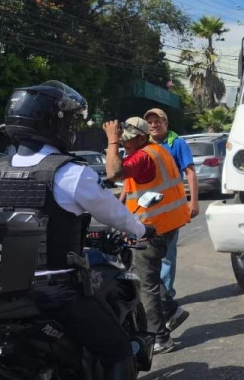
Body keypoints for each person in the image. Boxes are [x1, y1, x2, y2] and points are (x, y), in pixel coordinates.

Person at [0, 81, 150, 380]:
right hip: (56, 291)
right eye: (69, 120)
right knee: (117, 350)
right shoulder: (69, 173)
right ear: (50, 123)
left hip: (5, 292)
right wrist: (139, 229)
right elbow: (114, 213)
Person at [104, 117, 191, 353]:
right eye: (122, 142)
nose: (124, 146)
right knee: (147, 274)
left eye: (127, 141)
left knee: (145, 284)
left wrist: (111, 141)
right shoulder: (157, 151)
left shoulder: (143, 156)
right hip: (167, 223)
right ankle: (172, 311)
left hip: (151, 227)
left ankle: (160, 338)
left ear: (141, 138)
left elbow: (113, 172)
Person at [144, 108, 197, 332]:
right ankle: (164, 300)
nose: (154, 125)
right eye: (151, 122)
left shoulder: (177, 143)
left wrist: (193, 201)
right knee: (149, 257)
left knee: (166, 257)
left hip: (171, 211)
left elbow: (191, 172)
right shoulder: (143, 144)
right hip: (149, 211)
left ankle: (166, 301)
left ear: (166, 123)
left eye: (158, 121)